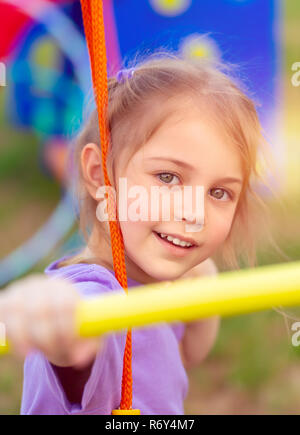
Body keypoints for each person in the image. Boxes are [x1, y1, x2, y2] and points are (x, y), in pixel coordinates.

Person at [0, 53, 282, 415]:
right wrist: (58, 317)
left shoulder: (150, 285)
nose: (193, 213)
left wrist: (204, 280)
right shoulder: (93, 297)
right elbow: (80, 344)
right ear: (101, 173)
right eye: (168, 177)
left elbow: (185, 355)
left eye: (219, 192)